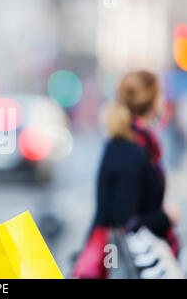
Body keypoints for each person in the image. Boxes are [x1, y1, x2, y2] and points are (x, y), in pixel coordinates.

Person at [72, 70, 180, 278]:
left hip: (126, 256)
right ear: (153, 101)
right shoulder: (132, 149)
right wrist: (165, 217)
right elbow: (124, 221)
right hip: (130, 262)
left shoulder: (130, 143)